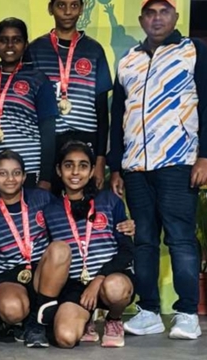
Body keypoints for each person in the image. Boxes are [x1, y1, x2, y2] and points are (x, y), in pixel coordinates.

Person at [109, 0, 207, 340]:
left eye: (163, 11)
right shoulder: (128, 60)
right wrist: (117, 166)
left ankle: (187, 314)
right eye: (150, 12)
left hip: (178, 162)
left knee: (180, 239)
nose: (156, 17)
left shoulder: (194, 51)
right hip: (136, 168)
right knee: (144, 241)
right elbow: (118, 116)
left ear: (175, 17)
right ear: (141, 20)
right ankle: (148, 312)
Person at [40, 141, 135, 348]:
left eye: (83, 166)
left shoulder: (109, 201)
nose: (75, 172)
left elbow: (127, 251)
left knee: (115, 288)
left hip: (110, 277)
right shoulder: (50, 210)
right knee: (65, 338)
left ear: (92, 171)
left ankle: (114, 319)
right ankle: (86, 319)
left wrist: (99, 278)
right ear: (58, 170)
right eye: (68, 165)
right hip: (76, 284)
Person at [26, 0, 113, 189]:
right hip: (48, 140)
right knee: (46, 201)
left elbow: (102, 110)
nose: (67, 12)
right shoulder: (35, 49)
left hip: (86, 137)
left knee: (83, 203)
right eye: (61, 5)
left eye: (74, 5)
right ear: (50, 8)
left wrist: (100, 159)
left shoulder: (94, 50)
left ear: (81, 9)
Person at [0, 150, 67, 348]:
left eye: (16, 173)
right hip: (9, 275)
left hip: (43, 271)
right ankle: (13, 320)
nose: (10, 179)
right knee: (12, 309)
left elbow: (68, 219)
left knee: (60, 248)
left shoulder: (42, 199)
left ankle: (36, 324)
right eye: (3, 173)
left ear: (24, 177)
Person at [0, 18, 59, 195]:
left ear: (25, 45)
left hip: (27, 167)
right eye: (3, 40)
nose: (9, 45)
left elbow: (48, 132)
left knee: (26, 213)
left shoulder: (38, 79)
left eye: (16, 40)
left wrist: (45, 177)